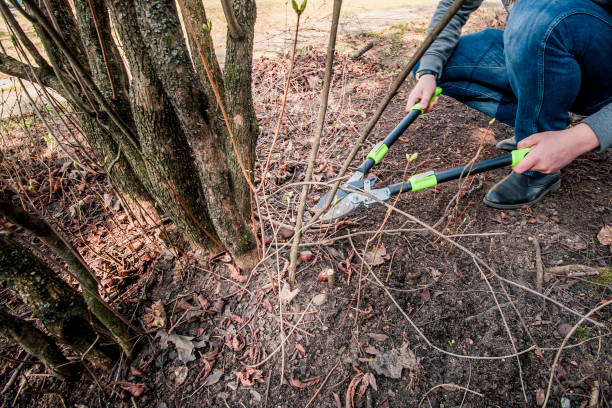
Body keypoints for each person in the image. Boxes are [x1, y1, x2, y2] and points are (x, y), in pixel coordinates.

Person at [407, 0, 612, 209]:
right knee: (433, 64)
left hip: (599, 67)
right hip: (545, 44)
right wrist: (428, 71)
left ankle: (537, 171)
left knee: (538, 13)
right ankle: (540, 121)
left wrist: (577, 139)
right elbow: (454, 6)